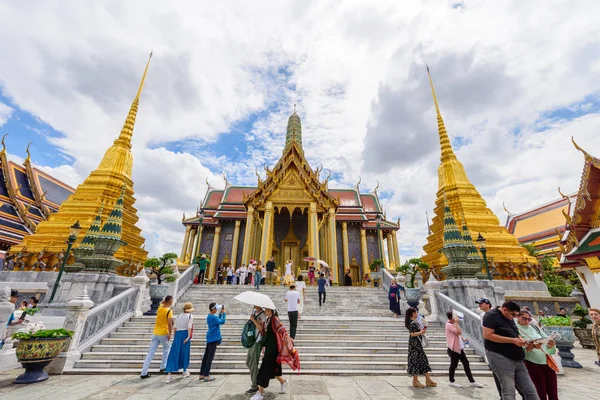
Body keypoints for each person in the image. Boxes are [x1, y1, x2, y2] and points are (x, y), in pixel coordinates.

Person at [483, 301, 539, 400]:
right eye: (513, 314)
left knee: (531, 391)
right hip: (499, 355)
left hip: (517, 357)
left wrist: (521, 340)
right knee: (508, 391)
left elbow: (514, 333)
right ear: (505, 309)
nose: (513, 317)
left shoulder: (510, 318)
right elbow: (488, 335)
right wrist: (512, 341)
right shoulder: (490, 316)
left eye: (516, 315)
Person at [251, 308, 299, 400]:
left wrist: (289, 343)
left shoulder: (275, 319)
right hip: (270, 348)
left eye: (266, 310)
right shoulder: (268, 320)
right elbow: (265, 333)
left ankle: (260, 393)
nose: (264, 311)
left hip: (273, 350)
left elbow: (283, 330)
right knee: (274, 370)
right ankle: (283, 382)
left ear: (270, 311)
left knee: (264, 369)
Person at [516, 310, 558, 400]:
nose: (527, 321)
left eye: (529, 319)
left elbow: (546, 338)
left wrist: (550, 344)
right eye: (524, 319)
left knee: (553, 391)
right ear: (518, 317)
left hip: (546, 360)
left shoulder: (534, 327)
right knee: (539, 391)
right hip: (531, 362)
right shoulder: (515, 328)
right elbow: (520, 349)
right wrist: (533, 346)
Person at [445, 311, 483, 388]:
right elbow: (458, 332)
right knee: (454, 365)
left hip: (459, 348)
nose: (457, 317)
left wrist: (462, 338)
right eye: (455, 316)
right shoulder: (449, 325)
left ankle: (472, 381)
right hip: (454, 349)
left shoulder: (451, 324)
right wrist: (456, 323)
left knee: (466, 363)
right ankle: (451, 381)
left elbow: (457, 334)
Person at [140, 295, 173, 379]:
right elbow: (169, 323)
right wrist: (170, 333)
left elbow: (161, 303)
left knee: (150, 352)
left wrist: (164, 301)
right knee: (166, 348)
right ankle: (163, 366)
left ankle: (144, 372)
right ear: (170, 301)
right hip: (163, 333)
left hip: (155, 332)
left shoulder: (160, 308)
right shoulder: (169, 311)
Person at [405, 307, 436, 388]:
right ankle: (415, 381)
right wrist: (421, 332)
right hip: (414, 346)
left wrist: (423, 330)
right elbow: (412, 334)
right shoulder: (411, 323)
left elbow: (417, 332)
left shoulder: (415, 322)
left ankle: (428, 379)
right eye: (416, 312)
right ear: (413, 313)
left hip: (418, 344)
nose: (417, 313)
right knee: (416, 361)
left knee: (423, 360)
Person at [165, 302, 194, 383]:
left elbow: (175, 327)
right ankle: (184, 370)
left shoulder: (179, 316)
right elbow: (189, 327)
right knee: (184, 353)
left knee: (174, 353)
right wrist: (188, 336)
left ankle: (169, 374)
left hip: (177, 335)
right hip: (185, 334)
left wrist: (175, 336)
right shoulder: (190, 316)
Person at [199, 302, 226, 382]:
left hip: (210, 337)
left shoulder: (210, 316)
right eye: (216, 308)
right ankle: (206, 375)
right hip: (213, 338)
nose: (216, 310)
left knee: (206, 356)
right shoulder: (212, 317)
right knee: (210, 357)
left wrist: (221, 314)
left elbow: (218, 320)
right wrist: (224, 313)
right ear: (212, 309)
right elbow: (222, 321)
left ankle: (202, 373)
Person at [245, 306, 267, 396]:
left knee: (253, 364)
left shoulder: (262, 315)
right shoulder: (255, 312)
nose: (254, 305)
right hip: (252, 341)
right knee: (248, 362)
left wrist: (253, 320)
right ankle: (259, 380)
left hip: (257, 341)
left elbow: (261, 329)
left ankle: (255, 386)